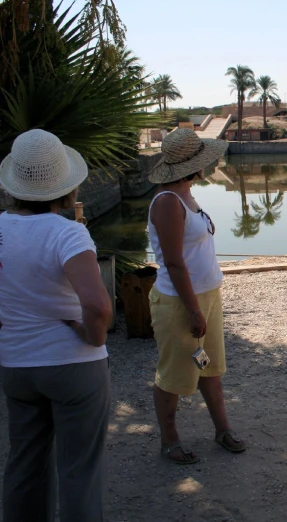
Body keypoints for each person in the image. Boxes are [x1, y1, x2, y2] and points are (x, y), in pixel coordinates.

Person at [0, 129, 113, 521]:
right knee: (79, 470)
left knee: (24, 464)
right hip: (72, 364)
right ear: (64, 188)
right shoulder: (68, 233)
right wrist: (91, 336)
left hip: (16, 363)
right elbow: (97, 306)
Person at [147, 128, 245, 464]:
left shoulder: (186, 194)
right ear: (194, 165)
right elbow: (173, 263)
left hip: (207, 295)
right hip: (180, 303)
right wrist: (193, 310)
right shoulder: (166, 202)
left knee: (210, 366)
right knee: (174, 373)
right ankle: (169, 439)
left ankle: (222, 428)